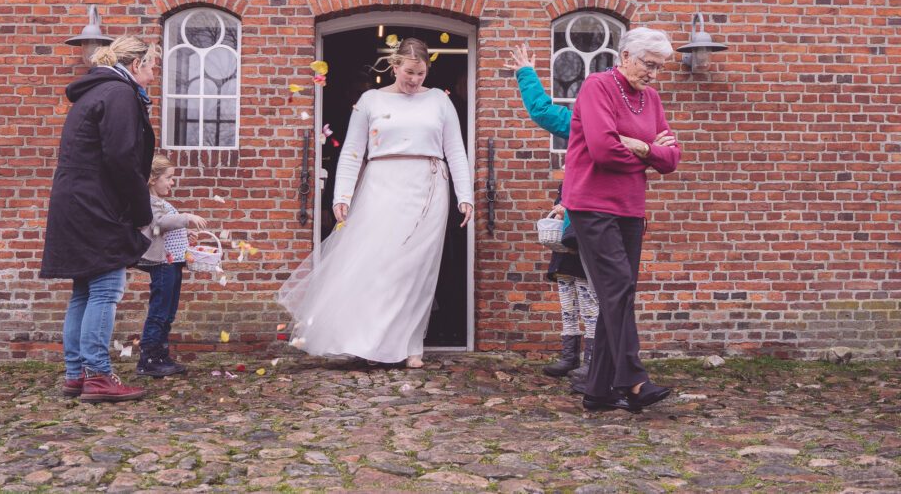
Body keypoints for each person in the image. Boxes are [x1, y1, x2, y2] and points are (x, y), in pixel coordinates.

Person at [278, 37, 473, 368]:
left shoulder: (440, 101)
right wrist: (342, 195)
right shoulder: (370, 100)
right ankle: (366, 341)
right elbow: (353, 150)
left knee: (416, 269)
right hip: (381, 185)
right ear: (395, 66)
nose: (414, 80)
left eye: (421, 74)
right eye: (409, 72)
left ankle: (411, 344)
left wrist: (464, 196)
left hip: (428, 188)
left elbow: (455, 149)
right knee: (378, 264)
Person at [506, 44, 676, 383]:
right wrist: (526, 73)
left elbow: (669, 155)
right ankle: (583, 360)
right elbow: (542, 111)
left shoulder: (645, 107)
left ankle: (594, 368)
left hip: (620, 211)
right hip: (585, 214)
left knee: (602, 292)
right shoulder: (581, 120)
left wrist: (643, 148)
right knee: (581, 287)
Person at [561, 27, 681, 413]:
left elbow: (672, 159)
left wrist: (642, 147)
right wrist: (649, 156)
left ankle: (598, 392)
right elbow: (603, 150)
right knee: (616, 289)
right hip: (592, 204)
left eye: (660, 68)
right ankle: (632, 379)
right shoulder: (598, 86)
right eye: (649, 64)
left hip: (630, 207)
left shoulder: (651, 99)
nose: (653, 74)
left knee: (620, 293)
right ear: (625, 56)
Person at [40, 35, 159, 403]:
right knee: (106, 289)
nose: (154, 75)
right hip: (98, 204)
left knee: (84, 290)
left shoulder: (95, 92)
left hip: (75, 201)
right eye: (153, 66)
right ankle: (97, 375)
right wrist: (142, 211)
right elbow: (122, 157)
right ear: (136, 64)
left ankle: (77, 374)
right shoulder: (119, 94)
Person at [135, 154, 207, 378]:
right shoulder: (148, 201)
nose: (171, 182)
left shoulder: (163, 202)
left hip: (173, 263)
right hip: (162, 263)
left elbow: (166, 230)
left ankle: (161, 354)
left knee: (168, 311)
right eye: (168, 178)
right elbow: (157, 225)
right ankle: (148, 358)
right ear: (153, 179)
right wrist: (185, 217)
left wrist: (186, 235)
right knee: (159, 310)